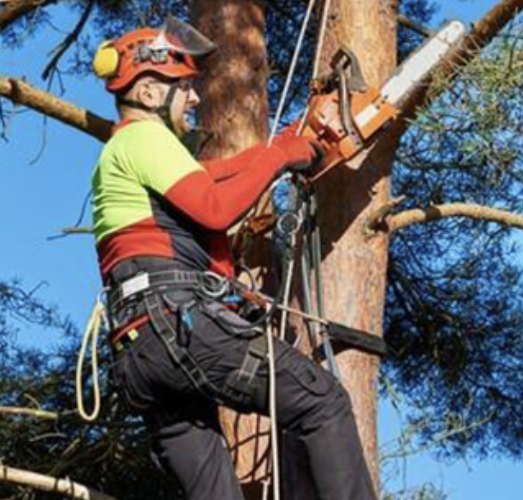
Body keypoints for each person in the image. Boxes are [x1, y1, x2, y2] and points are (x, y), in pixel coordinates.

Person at [89, 17, 376, 500]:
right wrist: (279, 157)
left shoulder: (125, 154)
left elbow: (212, 176)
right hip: (175, 324)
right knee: (322, 402)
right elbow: (216, 208)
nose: (195, 99)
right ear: (149, 93)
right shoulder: (143, 138)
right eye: (184, 87)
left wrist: (285, 145)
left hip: (139, 353)